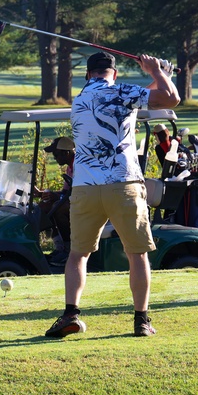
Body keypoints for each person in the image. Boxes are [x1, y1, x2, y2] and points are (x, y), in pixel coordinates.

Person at [44, 51, 180, 339]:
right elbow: (171, 98)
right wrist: (157, 70)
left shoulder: (80, 99)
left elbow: (148, 93)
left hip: (84, 187)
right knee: (137, 254)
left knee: (77, 254)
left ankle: (71, 314)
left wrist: (159, 75)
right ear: (114, 74)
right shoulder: (123, 92)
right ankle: (141, 320)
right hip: (123, 184)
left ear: (87, 75)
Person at [38, 136, 75, 266]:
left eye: (56, 154)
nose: (54, 157)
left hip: (86, 202)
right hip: (76, 201)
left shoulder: (78, 166)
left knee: (59, 208)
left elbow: (75, 193)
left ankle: (69, 250)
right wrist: (43, 194)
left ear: (66, 153)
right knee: (45, 206)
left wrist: (57, 197)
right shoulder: (69, 167)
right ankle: (60, 247)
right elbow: (65, 193)